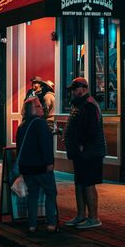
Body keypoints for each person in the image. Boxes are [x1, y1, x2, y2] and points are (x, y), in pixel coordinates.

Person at [63, 77, 106, 230]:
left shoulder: (89, 105)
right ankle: (81, 215)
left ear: (83, 88)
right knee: (80, 183)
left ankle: (93, 218)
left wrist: (82, 145)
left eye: (75, 89)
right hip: (82, 152)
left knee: (88, 183)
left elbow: (91, 129)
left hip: (90, 152)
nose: (73, 92)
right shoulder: (81, 105)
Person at [16, 96, 57, 233]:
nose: (42, 108)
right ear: (33, 109)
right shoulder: (40, 124)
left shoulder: (22, 126)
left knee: (32, 195)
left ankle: (32, 225)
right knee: (50, 193)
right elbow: (45, 145)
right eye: (39, 106)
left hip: (27, 168)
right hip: (40, 167)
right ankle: (51, 224)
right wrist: (49, 162)